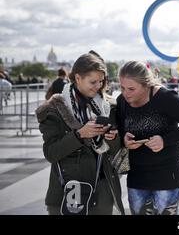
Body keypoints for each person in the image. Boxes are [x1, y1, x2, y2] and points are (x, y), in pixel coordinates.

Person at [35, 51, 125, 215]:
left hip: (102, 192)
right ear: (77, 78)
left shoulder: (109, 106)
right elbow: (51, 153)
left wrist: (113, 138)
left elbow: (117, 152)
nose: (98, 86)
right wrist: (79, 135)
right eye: (93, 82)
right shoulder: (53, 110)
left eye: (101, 81)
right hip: (67, 191)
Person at [116, 61, 179, 215]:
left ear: (146, 84)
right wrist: (124, 139)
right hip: (137, 177)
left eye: (131, 89)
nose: (125, 93)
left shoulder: (166, 98)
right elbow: (119, 129)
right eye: (122, 88)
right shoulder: (122, 101)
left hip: (167, 176)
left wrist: (164, 141)